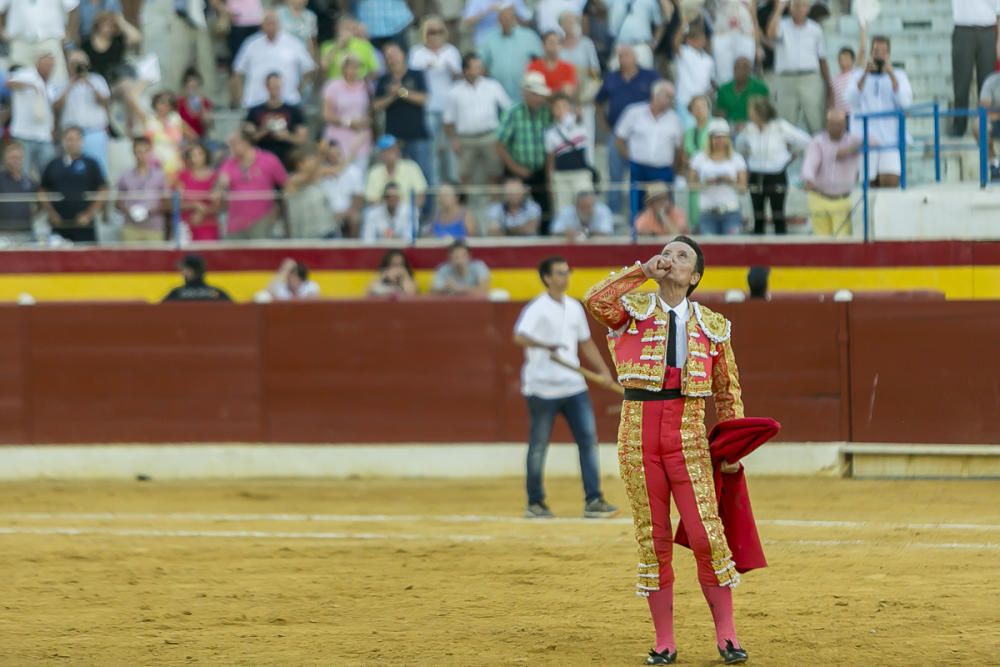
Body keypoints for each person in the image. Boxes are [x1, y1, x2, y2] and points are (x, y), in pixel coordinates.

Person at [582, 236, 753, 667]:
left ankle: (728, 637)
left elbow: (727, 393)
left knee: (705, 535)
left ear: (694, 276)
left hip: (689, 435)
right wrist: (641, 271)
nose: (671, 260)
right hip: (637, 435)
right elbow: (593, 299)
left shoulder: (714, 325)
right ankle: (664, 642)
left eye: (682, 257)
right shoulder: (632, 310)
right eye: (668, 252)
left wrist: (732, 448)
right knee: (653, 539)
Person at [514, 255, 619, 519]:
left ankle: (594, 500)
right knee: (539, 446)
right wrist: (541, 345)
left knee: (588, 442)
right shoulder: (536, 308)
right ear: (547, 278)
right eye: (560, 273)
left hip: (573, 385)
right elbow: (519, 336)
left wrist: (603, 370)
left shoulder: (574, 307)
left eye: (567, 272)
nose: (565, 276)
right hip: (541, 388)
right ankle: (535, 503)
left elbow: (585, 343)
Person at [443, 53, 511, 216]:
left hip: (489, 135)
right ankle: (468, 211)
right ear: (465, 70)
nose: (479, 70)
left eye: (479, 67)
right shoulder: (455, 92)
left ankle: (494, 210)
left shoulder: (493, 86)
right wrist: (454, 140)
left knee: (494, 172)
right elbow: (448, 120)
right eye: (475, 67)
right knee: (464, 174)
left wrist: (502, 134)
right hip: (466, 138)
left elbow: (508, 110)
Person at [595, 44, 659, 214]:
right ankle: (614, 213)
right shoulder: (612, 78)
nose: (624, 59)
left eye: (627, 55)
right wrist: (606, 127)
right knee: (615, 175)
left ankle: (642, 213)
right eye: (621, 56)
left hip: (643, 134)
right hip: (616, 133)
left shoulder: (650, 76)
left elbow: (659, 98)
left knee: (641, 175)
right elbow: (598, 102)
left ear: (635, 57)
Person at [736, 96, 810, 234]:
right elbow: (739, 145)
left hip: (776, 173)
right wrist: (748, 155)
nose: (749, 113)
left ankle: (781, 250)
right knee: (758, 216)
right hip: (756, 173)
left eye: (752, 110)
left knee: (778, 214)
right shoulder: (749, 129)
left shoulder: (780, 126)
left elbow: (804, 140)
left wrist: (792, 154)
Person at [847, 35, 913, 189]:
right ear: (871, 53)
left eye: (883, 52)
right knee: (869, 185)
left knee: (890, 181)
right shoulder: (858, 75)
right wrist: (864, 75)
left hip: (891, 139)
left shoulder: (899, 76)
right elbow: (850, 100)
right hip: (866, 139)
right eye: (876, 51)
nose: (879, 55)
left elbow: (905, 103)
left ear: (888, 55)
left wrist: (891, 76)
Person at [615, 80, 686, 220]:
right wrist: (628, 157)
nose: (671, 101)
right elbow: (619, 138)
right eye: (668, 96)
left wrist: (674, 169)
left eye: (672, 97)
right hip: (638, 167)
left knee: (664, 209)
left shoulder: (675, 119)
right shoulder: (633, 112)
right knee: (637, 207)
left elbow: (679, 149)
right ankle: (636, 236)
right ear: (656, 94)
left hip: (663, 170)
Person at [496, 73, 555, 230]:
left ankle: (544, 235)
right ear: (525, 94)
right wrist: (515, 168)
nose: (538, 99)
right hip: (517, 169)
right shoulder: (513, 112)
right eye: (535, 94)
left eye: (540, 95)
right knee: (513, 204)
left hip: (540, 169)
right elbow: (499, 144)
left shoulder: (546, 112)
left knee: (545, 205)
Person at [408, 16, 463, 184]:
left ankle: (453, 187)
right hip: (428, 108)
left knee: (451, 151)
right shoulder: (417, 53)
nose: (435, 35)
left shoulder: (451, 51)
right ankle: (435, 187)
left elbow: (460, 78)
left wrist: (450, 69)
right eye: (431, 32)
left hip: (449, 109)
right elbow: (411, 81)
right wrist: (427, 67)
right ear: (424, 33)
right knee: (431, 152)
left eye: (439, 31)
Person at [766, 0, 831, 134]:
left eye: (803, 6)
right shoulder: (782, 25)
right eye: (796, 6)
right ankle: (788, 153)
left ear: (808, 9)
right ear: (790, 8)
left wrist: (828, 82)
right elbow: (771, 34)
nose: (799, 9)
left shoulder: (815, 29)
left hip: (810, 78)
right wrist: (779, 9)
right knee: (785, 122)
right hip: (786, 78)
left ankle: (819, 151)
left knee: (815, 119)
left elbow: (822, 57)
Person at [373, 44, 433, 187]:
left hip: (417, 134)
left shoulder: (416, 74)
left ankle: (426, 209)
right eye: (388, 56)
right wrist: (392, 96)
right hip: (393, 138)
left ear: (403, 55)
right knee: (396, 177)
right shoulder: (384, 80)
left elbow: (423, 99)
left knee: (424, 175)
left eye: (394, 55)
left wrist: (401, 92)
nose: (392, 59)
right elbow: (376, 105)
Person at [232, 10, 316, 109]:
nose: (271, 26)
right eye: (268, 23)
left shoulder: (293, 43)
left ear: (279, 24)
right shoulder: (251, 44)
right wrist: (241, 97)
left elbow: (309, 68)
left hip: (288, 101)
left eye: (274, 23)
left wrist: (299, 89)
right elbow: (237, 71)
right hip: (255, 102)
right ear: (262, 25)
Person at [215, 130, 289, 239]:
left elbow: (286, 184)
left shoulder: (269, 159)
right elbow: (222, 181)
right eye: (230, 145)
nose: (231, 149)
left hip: (262, 219)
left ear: (246, 143)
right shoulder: (229, 163)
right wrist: (219, 188)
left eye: (233, 144)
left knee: (260, 253)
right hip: (235, 222)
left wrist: (278, 209)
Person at [39, 126, 108, 243]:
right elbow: (42, 191)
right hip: (59, 226)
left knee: (86, 260)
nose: (73, 143)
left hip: (85, 226)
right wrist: (52, 214)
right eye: (69, 139)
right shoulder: (53, 164)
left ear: (82, 141)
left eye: (76, 139)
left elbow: (103, 190)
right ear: (63, 141)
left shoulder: (91, 163)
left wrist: (89, 214)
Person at [801, 109, 861, 237]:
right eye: (832, 124)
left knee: (842, 240)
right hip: (819, 197)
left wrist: (848, 150)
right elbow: (810, 163)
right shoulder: (817, 141)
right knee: (821, 241)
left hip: (843, 199)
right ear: (827, 124)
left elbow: (874, 140)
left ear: (845, 124)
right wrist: (808, 179)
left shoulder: (853, 140)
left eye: (839, 124)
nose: (835, 127)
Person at [52, 50, 111, 178]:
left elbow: (105, 101)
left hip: (94, 132)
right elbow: (56, 107)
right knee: (70, 172)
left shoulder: (97, 79)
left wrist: (88, 82)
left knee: (98, 170)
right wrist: (71, 84)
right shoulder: (61, 82)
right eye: (74, 63)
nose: (77, 66)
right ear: (68, 65)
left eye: (81, 63)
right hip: (70, 134)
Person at [689, 119, 748, 235]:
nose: (719, 140)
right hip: (707, 212)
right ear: (710, 139)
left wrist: (730, 182)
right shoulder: (699, 158)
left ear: (728, 138)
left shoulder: (737, 159)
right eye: (716, 137)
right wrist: (706, 183)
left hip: (730, 211)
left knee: (732, 248)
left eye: (722, 137)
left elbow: (743, 188)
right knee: (709, 249)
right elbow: (691, 185)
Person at [950, 0, 1000, 136]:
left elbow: (998, 11)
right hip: (963, 29)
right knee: (961, 82)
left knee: (987, 83)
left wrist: (998, 40)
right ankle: (959, 126)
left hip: (988, 30)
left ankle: (987, 126)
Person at [6, 53, 58, 180]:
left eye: (50, 65)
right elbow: (9, 83)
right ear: (37, 63)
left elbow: (51, 111)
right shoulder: (26, 74)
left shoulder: (50, 84)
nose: (48, 67)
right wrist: (31, 86)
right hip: (24, 135)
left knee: (49, 174)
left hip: (44, 136)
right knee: (21, 174)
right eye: (45, 64)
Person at [0, 0, 77, 85]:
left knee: (58, 82)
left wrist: (70, 34)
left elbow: (73, 7)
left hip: (50, 40)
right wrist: (1, 32)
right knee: (18, 82)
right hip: (20, 42)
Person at [244, 72, 309, 170]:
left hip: (286, 157)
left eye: (278, 86)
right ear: (266, 86)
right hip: (261, 156)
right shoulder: (254, 111)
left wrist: (286, 136)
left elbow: (302, 139)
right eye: (272, 86)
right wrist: (264, 130)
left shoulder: (294, 111)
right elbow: (247, 139)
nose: (275, 89)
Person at [480, 3, 543, 103]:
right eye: (503, 18)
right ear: (498, 20)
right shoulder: (489, 40)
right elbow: (481, 65)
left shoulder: (529, 36)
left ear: (514, 18)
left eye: (509, 17)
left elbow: (540, 62)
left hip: (525, 95)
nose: (506, 21)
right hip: (498, 96)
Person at [322, 53, 374, 170]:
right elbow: (327, 115)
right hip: (338, 136)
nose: (354, 70)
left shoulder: (367, 86)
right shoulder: (333, 86)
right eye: (351, 67)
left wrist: (366, 122)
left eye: (357, 67)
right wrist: (349, 122)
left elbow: (370, 111)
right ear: (344, 68)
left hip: (360, 137)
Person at [545, 93, 594, 214]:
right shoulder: (550, 132)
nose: (561, 109)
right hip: (561, 176)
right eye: (557, 107)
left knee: (586, 205)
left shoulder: (579, 124)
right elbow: (550, 159)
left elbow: (580, 116)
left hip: (581, 173)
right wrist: (550, 182)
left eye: (564, 106)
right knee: (563, 210)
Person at [116, 136, 169, 242]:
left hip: (154, 227)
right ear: (133, 152)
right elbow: (118, 203)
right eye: (139, 152)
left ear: (150, 152)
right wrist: (130, 211)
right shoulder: (125, 176)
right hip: (130, 227)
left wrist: (148, 211)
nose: (142, 155)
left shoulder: (160, 176)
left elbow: (167, 203)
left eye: (145, 151)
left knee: (155, 258)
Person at [364, 135, 428, 211]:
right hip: (382, 212)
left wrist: (409, 210)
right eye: (387, 150)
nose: (391, 153)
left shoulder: (411, 167)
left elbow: (420, 195)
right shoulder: (374, 172)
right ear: (381, 154)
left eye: (393, 149)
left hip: (407, 211)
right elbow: (371, 200)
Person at [318, 138, 366, 237]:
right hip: (326, 213)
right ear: (326, 156)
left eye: (337, 153)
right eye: (331, 155)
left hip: (348, 211)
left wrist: (347, 212)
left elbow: (358, 197)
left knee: (355, 217)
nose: (335, 157)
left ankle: (354, 249)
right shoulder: (320, 172)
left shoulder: (353, 171)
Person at [285, 151, 335, 238]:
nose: (313, 162)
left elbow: (338, 169)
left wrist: (353, 151)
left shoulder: (316, 177)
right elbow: (308, 177)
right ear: (299, 164)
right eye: (310, 160)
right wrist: (321, 155)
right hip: (305, 233)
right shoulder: (292, 179)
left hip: (324, 230)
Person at [176, 142, 220, 242]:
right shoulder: (182, 176)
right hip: (186, 226)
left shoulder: (215, 177)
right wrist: (195, 205)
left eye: (200, 154)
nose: (197, 157)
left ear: (206, 155)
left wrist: (203, 213)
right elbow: (177, 202)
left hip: (208, 225)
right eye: (193, 155)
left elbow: (219, 205)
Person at [672, 22, 715, 122]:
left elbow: (710, 81)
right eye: (698, 38)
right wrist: (684, 25)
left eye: (703, 38)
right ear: (688, 40)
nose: (702, 41)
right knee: (688, 128)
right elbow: (675, 43)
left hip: (702, 101)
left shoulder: (708, 59)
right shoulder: (685, 52)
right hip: (684, 100)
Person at [83, 10, 141, 82]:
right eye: (106, 24)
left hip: (118, 79)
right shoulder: (86, 43)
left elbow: (137, 38)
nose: (110, 28)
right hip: (98, 82)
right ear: (99, 24)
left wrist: (121, 21)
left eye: (113, 26)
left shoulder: (117, 40)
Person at [711, 0, 760, 84]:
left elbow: (754, 17)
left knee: (746, 73)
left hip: (745, 35)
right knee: (724, 78)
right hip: (723, 35)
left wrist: (758, 46)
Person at [714, 56, 769, 130]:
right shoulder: (724, 89)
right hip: (728, 127)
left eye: (744, 67)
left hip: (752, 126)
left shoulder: (760, 88)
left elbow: (765, 113)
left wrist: (747, 124)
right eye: (737, 67)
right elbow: (719, 113)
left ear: (750, 70)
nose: (740, 70)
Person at [607, 0, 664, 69]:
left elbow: (659, 24)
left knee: (646, 75)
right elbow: (599, 8)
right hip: (619, 44)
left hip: (641, 45)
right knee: (615, 75)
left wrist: (654, 43)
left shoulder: (650, 1)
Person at [319, 15, 379, 81]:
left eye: (351, 29)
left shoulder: (364, 45)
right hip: (335, 87)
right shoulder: (327, 46)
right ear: (337, 28)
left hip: (358, 87)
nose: (348, 32)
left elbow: (375, 71)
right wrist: (337, 46)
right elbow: (323, 67)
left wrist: (361, 83)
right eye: (345, 28)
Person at [0, 142, 38, 241]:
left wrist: (33, 215)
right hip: (3, 234)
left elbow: (42, 202)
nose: (15, 161)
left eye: (17, 157)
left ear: (23, 158)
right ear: (5, 159)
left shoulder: (30, 181)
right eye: (11, 157)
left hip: (25, 233)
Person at [527, 31, 578, 98]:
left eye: (558, 43)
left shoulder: (568, 68)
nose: (555, 46)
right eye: (551, 42)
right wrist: (558, 91)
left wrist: (543, 92)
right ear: (543, 45)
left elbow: (567, 93)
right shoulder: (533, 66)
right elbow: (532, 93)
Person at [162, 254, 233, 302]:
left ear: (190, 271)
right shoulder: (217, 293)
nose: (181, 272)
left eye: (183, 269)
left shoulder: (177, 293)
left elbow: (159, 312)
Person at [830, 22, 867, 114]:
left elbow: (862, 51)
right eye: (841, 59)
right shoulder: (834, 79)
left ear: (852, 60)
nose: (844, 61)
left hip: (853, 114)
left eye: (847, 58)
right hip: (840, 116)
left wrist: (863, 29)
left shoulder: (856, 73)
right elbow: (831, 100)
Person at [550, 190, 615, 240]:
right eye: (583, 207)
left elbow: (606, 233)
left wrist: (582, 234)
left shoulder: (603, 211)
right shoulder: (566, 211)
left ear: (594, 205)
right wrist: (565, 233)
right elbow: (555, 232)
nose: (586, 210)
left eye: (589, 207)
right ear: (576, 206)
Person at [462, 0, 532, 47]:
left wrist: (513, 12)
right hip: (485, 44)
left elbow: (526, 22)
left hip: (511, 44)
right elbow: (467, 21)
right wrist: (487, 10)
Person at [177, 68, 215, 142]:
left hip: (201, 139)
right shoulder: (179, 103)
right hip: (184, 140)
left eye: (195, 86)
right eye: (190, 85)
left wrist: (203, 106)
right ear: (185, 85)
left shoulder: (205, 102)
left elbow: (209, 125)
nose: (192, 88)